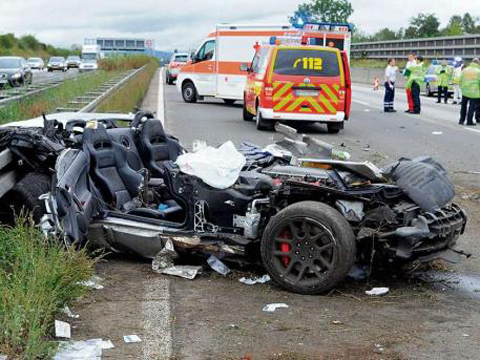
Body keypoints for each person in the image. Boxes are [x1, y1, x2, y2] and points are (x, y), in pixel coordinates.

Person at [459, 58, 480, 126]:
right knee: (472, 107)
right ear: (477, 63)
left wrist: (462, 88)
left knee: (463, 106)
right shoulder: (478, 71)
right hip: (474, 92)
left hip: (465, 91)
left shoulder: (465, 70)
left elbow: (460, 80)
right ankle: (469, 121)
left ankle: (461, 120)